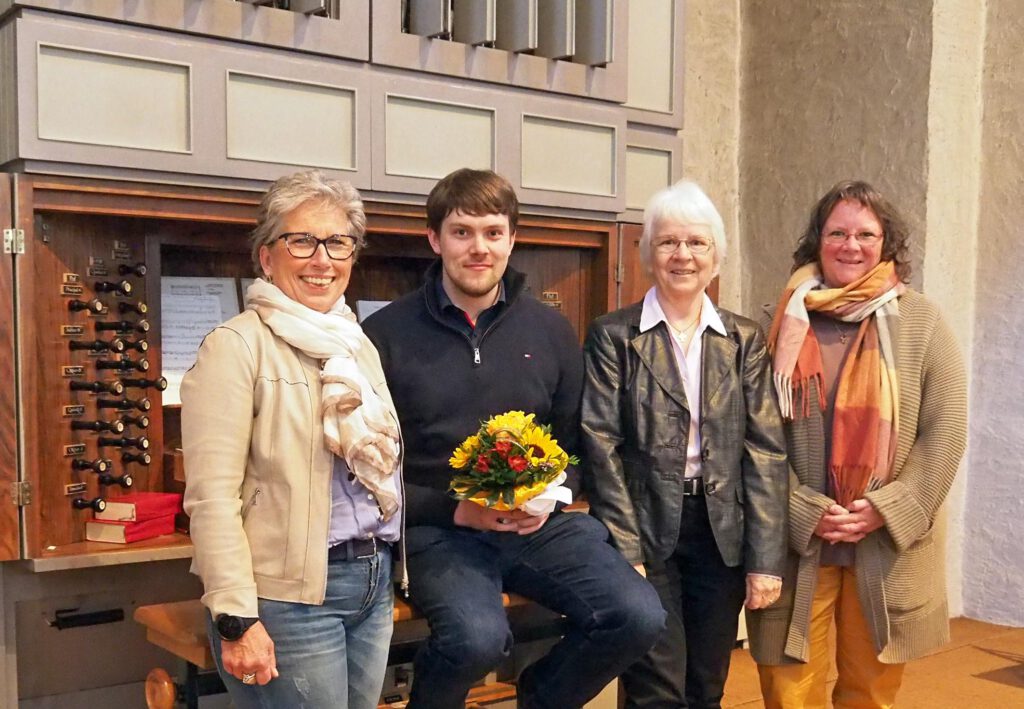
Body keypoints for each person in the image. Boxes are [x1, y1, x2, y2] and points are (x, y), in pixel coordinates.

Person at [363, 167, 665, 709]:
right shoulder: (384, 335)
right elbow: (368, 474)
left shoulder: (549, 330)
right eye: (462, 232)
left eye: (493, 232)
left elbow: (575, 447)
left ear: (512, 239)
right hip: (437, 529)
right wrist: (458, 511)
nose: (479, 248)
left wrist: (549, 496)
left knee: (638, 616)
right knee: (477, 640)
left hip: (537, 524)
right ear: (435, 239)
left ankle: (539, 698)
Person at [181, 170, 403, 708]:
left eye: (337, 242)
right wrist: (236, 617)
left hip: (371, 581)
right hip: (289, 598)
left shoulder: (356, 345)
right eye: (301, 241)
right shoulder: (234, 346)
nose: (321, 259)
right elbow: (211, 498)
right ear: (266, 256)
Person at [751, 180, 968, 708]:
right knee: (787, 690)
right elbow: (753, 432)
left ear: (887, 243)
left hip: (883, 543)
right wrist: (801, 507)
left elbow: (946, 427)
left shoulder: (923, 322)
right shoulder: (780, 323)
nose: (851, 245)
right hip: (799, 540)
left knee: (870, 692)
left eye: (865, 234)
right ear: (817, 241)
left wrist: (886, 507)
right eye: (837, 232)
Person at [580, 180, 789, 709]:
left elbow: (765, 450)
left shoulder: (743, 340)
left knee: (707, 686)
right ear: (648, 253)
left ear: (716, 256)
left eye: (697, 243)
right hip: (646, 525)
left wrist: (765, 558)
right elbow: (599, 444)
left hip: (721, 532)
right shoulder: (614, 336)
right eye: (669, 242)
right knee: (656, 686)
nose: (683, 255)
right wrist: (625, 548)